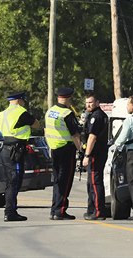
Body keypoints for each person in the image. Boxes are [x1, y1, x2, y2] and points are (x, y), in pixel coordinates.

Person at [0, 91, 40, 222]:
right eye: (23, 100)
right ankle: (10, 212)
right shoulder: (21, 112)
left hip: (5, 150)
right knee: (14, 182)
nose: (24, 103)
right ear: (19, 100)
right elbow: (36, 125)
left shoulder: (2, 114)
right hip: (16, 151)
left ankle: (11, 210)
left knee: (10, 182)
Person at [44, 87, 82, 220]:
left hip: (54, 149)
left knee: (57, 182)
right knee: (65, 182)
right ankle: (60, 211)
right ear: (68, 98)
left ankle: (54, 209)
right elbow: (75, 134)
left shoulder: (50, 111)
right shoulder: (66, 113)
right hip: (66, 149)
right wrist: (81, 150)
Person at [81, 93, 109, 220]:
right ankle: (92, 209)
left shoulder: (96, 116)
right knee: (91, 183)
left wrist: (87, 155)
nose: (88, 105)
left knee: (95, 182)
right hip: (98, 152)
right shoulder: (94, 115)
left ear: (97, 102)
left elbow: (92, 137)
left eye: (91, 102)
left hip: (95, 153)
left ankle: (98, 211)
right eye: (87, 102)